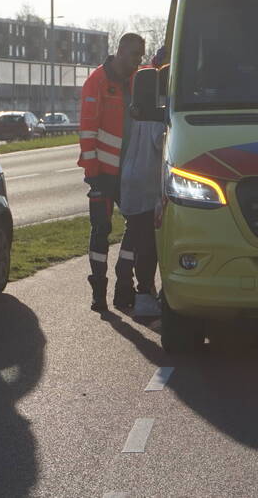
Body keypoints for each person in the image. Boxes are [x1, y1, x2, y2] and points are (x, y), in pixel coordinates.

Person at [78, 33, 145, 312]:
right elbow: (87, 130)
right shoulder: (97, 82)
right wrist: (93, 173)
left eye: (140, 56)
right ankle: (98, 291)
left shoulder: (138, 79)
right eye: (133, 55)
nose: (137, 61)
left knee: (138, 225)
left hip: (130, 171)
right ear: (119, 51)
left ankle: (123, 283)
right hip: (103, 172)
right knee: (101, 230)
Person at [118, 47, 168, 318]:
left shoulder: (142, 101)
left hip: (134, 182)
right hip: (146, 186)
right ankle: (144, 295)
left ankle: (126, 291)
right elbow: (161, 143)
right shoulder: (157, 107)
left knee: (136, 241)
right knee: (147, 245)